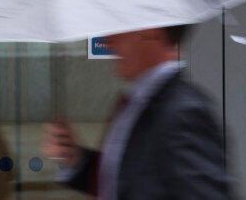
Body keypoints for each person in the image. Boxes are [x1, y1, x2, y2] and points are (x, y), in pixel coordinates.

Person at [42, 25, 234, 199]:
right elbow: (124, 182)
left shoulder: (185, 113)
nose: (109, 42)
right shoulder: (141, 102)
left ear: (151, 33)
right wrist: (76, 158)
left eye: (119, 29)